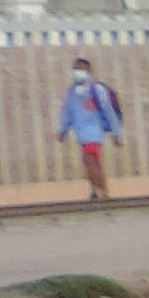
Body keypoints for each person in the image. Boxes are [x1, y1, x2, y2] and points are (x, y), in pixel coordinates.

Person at [57, 55, 123, 206]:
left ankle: (101, 190)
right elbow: (67, 111)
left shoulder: (96, 89)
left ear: (88, 70)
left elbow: (108, 111)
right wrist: (63, 129)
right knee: (91, 162)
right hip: (81, 133)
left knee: (90, 159)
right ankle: (97, 190)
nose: (77, 72)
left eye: (80, 69)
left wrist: (116, 132)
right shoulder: (72, 91)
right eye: (75, 69)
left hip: (94, 131)